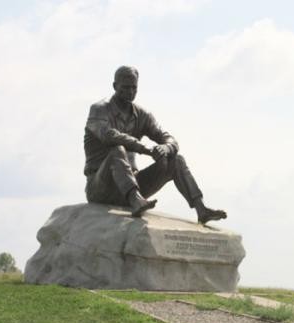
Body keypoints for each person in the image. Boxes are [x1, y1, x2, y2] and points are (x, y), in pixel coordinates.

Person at [83, 65, 227, 224]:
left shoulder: (142, 115)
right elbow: (109, 136)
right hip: (101, 187)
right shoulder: (99, 109)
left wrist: (166, 148)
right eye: (125, 87)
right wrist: (145, 149)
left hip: (132, 183)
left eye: (134, 88)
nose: (130, 92)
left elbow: (168, 138)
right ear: (115, 86)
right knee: (117, 150)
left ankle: (201, 209)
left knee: (176, 160)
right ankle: (136, 200)